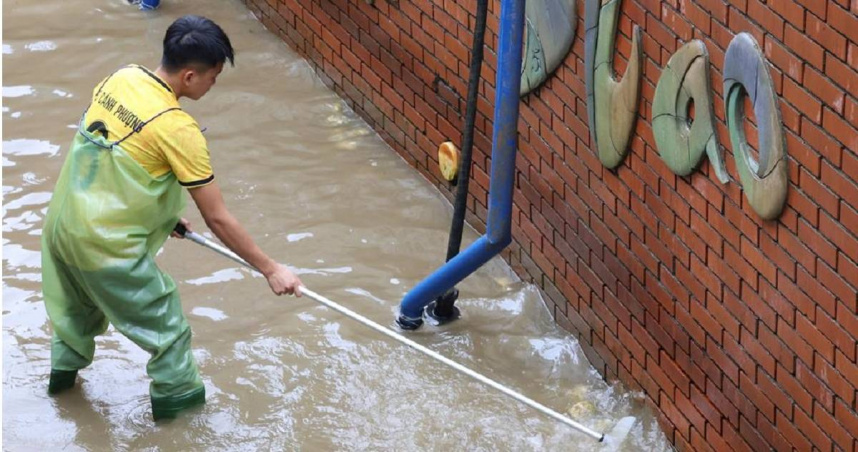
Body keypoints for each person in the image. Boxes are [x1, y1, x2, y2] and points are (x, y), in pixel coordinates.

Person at [40, 15, 302, 421]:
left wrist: (165, 217)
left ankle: (59, 396)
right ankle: (183, 429)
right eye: (213, 77)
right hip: (105, 249)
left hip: (62, 226)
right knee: (170, 336)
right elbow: (218, 218)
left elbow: (112, 156)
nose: (214, 85)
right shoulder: (179, 129)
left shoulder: (121, 78)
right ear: (192, 75)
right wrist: (271, 269)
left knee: (76, 316)